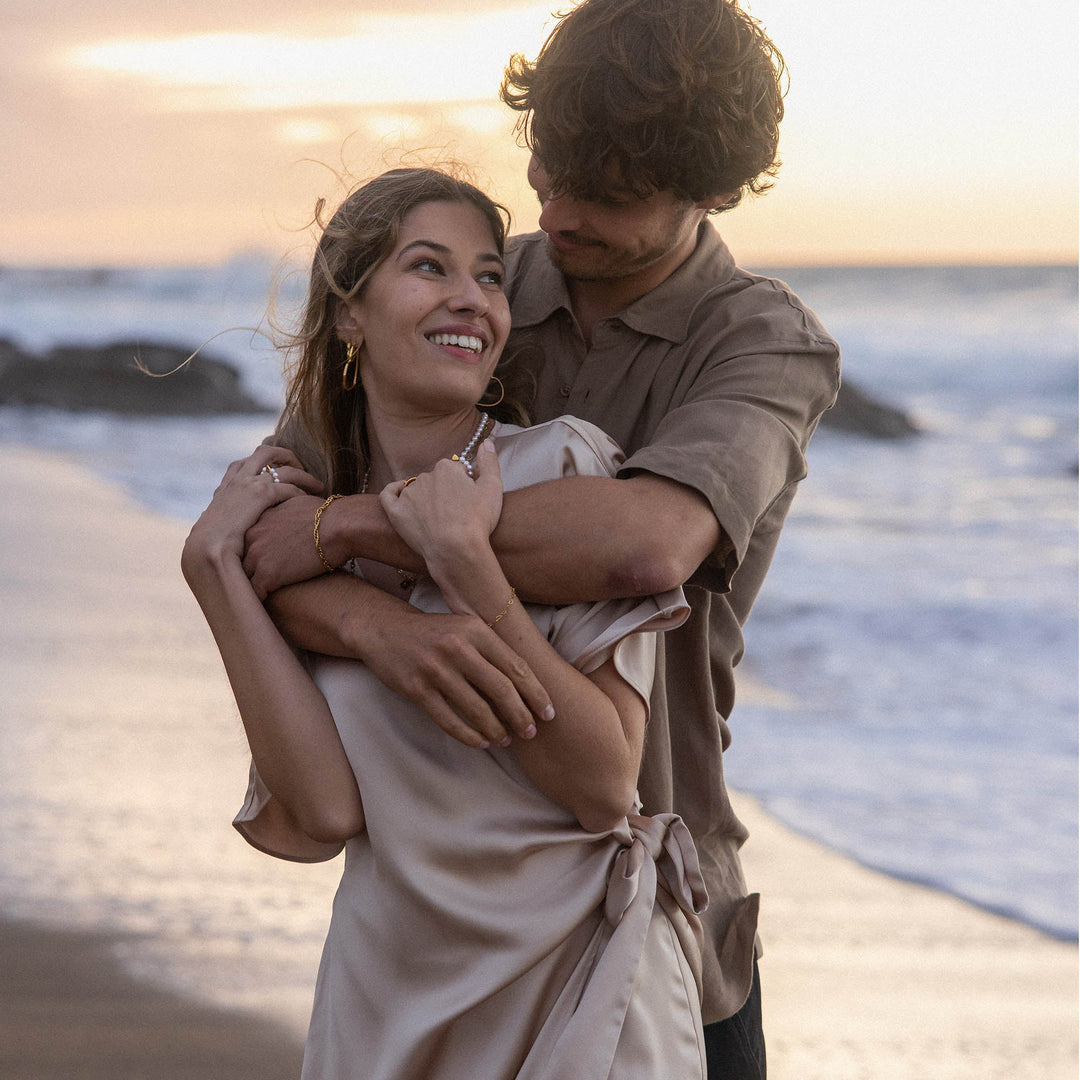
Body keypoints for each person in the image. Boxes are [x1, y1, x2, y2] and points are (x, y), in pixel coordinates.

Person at [242, 1, 841, 1075]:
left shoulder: (762, 340)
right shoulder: (475, 288)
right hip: (435, 914)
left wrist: (362, 528)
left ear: (708, 188)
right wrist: (383, 630)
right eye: (551, 169)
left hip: (647, 914)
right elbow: (261, 534)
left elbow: (650, 545)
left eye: (607, 194)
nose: (558, 214)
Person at [183, 168, 711, 1078]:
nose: (470, 298)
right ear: (350, 312)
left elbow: (601, 784)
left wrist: (466, 562)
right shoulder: (312, 528)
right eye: (429, 268)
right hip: (386, 1001)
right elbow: (321, 813)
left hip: (569, 992)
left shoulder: (560, 469)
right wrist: (214, 576)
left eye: (491, 277)